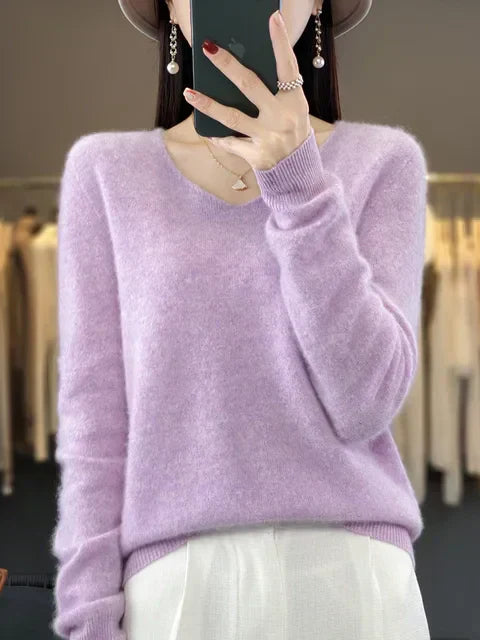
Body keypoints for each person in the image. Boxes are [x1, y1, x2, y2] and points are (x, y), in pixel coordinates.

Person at [50, 0, 432, 638]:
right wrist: (87, 617)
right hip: (175, 586)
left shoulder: (384, 162)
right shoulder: (107, 173)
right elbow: (95, 423)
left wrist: (298, 184)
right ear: (171, 8)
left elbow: (366, 403)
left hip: (352, 576)